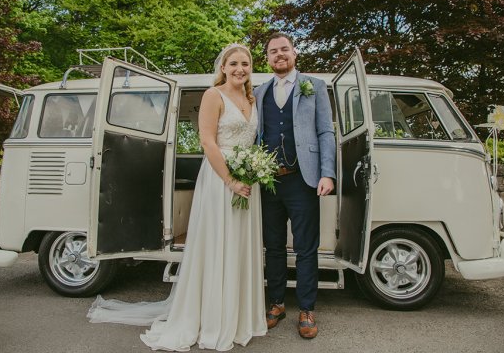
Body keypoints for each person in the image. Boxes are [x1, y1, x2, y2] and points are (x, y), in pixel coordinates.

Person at [87, 43, 267, 351]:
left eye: (245, 64)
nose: (240, 68)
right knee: (217, 245)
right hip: (221, 179)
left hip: (249, 181)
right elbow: (207, 142)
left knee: (239, 245)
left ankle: (238, 318)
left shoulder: (252, 98)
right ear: (222, 67)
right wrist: (231, 180)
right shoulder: (214, 95)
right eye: (234, 63)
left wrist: (252, 172)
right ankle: (213, 319)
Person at [254, 32, 336, 339]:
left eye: (284, 49)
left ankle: (306, 309)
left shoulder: (314, 86)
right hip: (269, 182)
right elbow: (255, 134)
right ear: (268, 58)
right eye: (273, 51)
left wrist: (327, 173)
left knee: (306, 248)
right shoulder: (259, 91)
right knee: (273, 247)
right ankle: (276, 304)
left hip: (304, 180)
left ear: (295, 53)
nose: (279, 55)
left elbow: (326, 132)